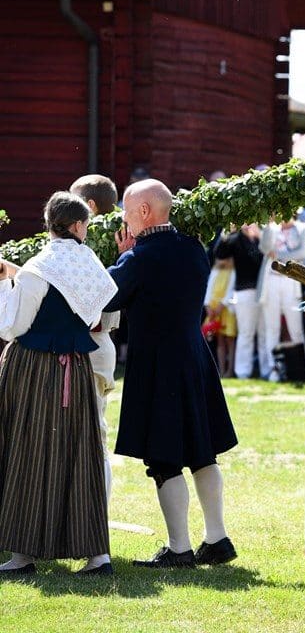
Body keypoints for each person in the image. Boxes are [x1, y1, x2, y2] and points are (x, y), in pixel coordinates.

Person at [106, 179, 238, 568]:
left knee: (163, 458)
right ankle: (217, 538)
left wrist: (123, 259)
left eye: (127, 211)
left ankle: (179, 547)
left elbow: (108, 297)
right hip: (195, 356)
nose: (124, 218)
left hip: (158, 363)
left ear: (144, 212)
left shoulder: (139, 257)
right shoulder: (193, 247)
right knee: (202, 451)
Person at [0, 192, 117, 575]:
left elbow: (13, 327)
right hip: (77, 367)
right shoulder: (90, 263)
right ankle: (96, 555)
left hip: (33, 368)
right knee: (81, 453)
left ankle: (23, 554)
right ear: (79, 225)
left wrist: (4, 286)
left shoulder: (38, 266)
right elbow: (93, 316)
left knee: (27, 452)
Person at [69, 174, 122, 501]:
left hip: (92, 342)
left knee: (93, 435)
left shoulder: (98, 249)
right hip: (91, 345)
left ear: (89, 207)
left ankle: (96, 514)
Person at [258, 218, 305, 381]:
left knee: (296, 329)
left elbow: (302, 253)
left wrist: (279, 256)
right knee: (272, 328)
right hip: (271, 281)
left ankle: (302, 369)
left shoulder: (301, 228)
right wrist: (268, 225)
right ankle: (273, 369)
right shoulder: (272, 228)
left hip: (291, 281)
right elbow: (264, 248)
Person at [216, 224, 264, 378]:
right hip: (244, 291)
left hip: (263, 290)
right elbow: (220, 254)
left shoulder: (260, 238)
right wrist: (226, 234)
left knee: (264, 333)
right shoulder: (235, 239)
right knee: (246, 332)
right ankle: (242, 371)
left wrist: (260, 237)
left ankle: (267, 370)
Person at [204, 253, 237, 377]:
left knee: (230, 339)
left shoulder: (233, 272)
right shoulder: (215, 271)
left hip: (226, 308)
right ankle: (221, 370)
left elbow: (231, 289)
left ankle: (230, 370)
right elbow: (209, 288)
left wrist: (222, 305)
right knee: (220, 341)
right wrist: (207, 306)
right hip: (213, 307)